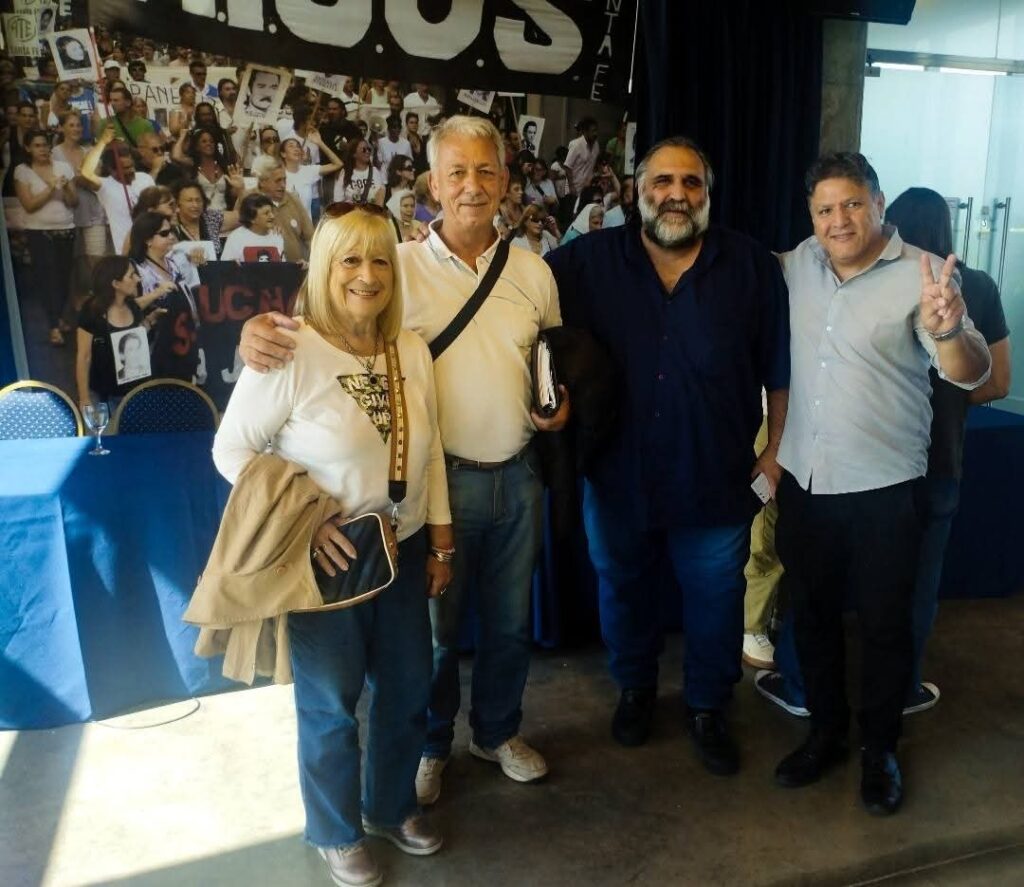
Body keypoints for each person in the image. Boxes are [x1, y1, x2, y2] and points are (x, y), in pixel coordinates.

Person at [237, 115, 569, 808]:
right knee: (437, 639)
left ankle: (496, 731)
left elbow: (549, 362)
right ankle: (430, 746)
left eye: (486, 171)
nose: (473, 185)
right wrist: (254, 331)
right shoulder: (394, 266)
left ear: (506, 181)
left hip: (519, 474)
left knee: (509, 626)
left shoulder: (535, 272)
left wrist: (556, 408)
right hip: (436, 483)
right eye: (457, 172)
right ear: (433, 185)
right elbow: (314, 321)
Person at [211, 205, 452, 887]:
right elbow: (231, 451)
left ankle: (391, 806)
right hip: (328, 560)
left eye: (379, 260)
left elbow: (431, 451)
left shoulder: (409, 349)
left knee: (408, 688)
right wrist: (306, 521)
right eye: (349, 259)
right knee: (329, 705)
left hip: (401, 551)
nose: (366, 275)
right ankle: (336, 830)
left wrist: (441, 540)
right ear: (323, 267)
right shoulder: (288, 347)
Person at [544, 136, 790, 776]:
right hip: (616, 475)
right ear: (637, 190)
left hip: (716, 478)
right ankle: (635, 689)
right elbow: (518, 302)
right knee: (623, 590)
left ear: (707, 194)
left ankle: (708, 706)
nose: (676, 194)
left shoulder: (751, 266)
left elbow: (779, 369)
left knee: (716, 600)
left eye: (690, 183)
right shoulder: (586, 261)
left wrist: (775, 452)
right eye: (662, 181)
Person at [772, 154, 990, 816]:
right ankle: (826, 733)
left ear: (878, 203)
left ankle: (879, 749)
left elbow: (971, 370)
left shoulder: (924, 274)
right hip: (806, 480)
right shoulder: (797, 264)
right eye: (825, 209)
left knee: (886, 626)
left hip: (886, 489)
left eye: (852, 204)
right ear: (811, 216)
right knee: (811, 617)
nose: (839, 220)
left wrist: (949, 330)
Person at [14, 128, 79, 345]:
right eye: (37, 145)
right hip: (39, 232)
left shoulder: (63, 167)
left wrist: (66, 188)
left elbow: (74, 202)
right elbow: (29, 205)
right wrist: (50, 189)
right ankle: (53, 326)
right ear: (28, 148)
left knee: (63, 279)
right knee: (47, 280)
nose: (42, 149)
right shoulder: (22, 171)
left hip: (66, 229)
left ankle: (58, 317)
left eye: (45, 145)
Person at [129, 210, 201, 381]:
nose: (171, 237)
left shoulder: (173, 263)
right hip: (154, 349)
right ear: (147, 240)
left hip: (182, 344)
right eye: (164, 233)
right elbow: (126, 308)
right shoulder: (136, 270)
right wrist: (156, 294)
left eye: (171, 231)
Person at [51, 111, 110, 288]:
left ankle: (99, 296)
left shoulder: (89, 151)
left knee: (98, 262)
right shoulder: (54, 153)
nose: (76, 128)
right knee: (74, 263)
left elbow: (95, 182)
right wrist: (81, 178)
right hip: (67, 215)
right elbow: (57, 183)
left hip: (93, 212)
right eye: (71, 125)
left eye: (78, 125)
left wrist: (75, 179)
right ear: (61, 128)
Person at [80, 127, 157, 254]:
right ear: (111, 170)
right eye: (125, 168)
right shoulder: (105, 186)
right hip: (126, 249)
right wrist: (102, 142)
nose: (131, 170)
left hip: (153, 246)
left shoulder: (145, 178)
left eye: (132, 166)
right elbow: (86, 172)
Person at [249, 155, 314, 262]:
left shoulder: (293, 199)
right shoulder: (249, 200)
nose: (283, 185)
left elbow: (310, 237)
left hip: (296, 268)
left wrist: (314, 262)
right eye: (278, 181)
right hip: (261, 268)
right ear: (262, 182)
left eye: (284, 180)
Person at [281, 130, 342, 221]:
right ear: (283, 154)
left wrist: (320, 143)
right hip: (286, 225)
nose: (296, 149)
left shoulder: (308, 171)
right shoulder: (278, 174)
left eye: (298, 146)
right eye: (291, 146)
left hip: (306, 226)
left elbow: (338, 164)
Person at [221, 192, 286, 262]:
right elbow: (226, 265)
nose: (272, 216)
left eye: (272, 212)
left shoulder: (277, 235)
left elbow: (282, 265)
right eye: (266, 213)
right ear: (252, 219)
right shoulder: (236, 237)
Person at [334, 138, 386, 206]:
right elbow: (337, 201)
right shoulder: (344, 173)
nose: (367, 152)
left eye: (369, 149)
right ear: (354, 154)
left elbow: (380, 196)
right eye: (364, 149)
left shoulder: (375, 171)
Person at [564, 117, 600, 198]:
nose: (595, 134)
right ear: (585, 132)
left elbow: (595, 164)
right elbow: (567, 166)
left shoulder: (596, 145)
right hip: (574, 189)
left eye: (596, 131)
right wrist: (571, 186)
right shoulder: (576, 145)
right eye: (593, 131)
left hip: (587, 189)